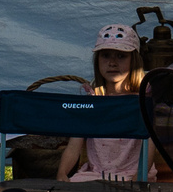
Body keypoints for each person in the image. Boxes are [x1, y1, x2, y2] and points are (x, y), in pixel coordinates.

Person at [55, 23, 155, 182]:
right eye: (106, 55)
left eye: (121, 56)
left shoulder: (142, 100)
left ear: (134, 60)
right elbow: (74, 146)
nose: (112, 62)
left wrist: (138, 178)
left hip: (134, 175)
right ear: (97, 60)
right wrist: (62, 174)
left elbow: (149, 144)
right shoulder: (92, 101)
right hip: (95, 175)